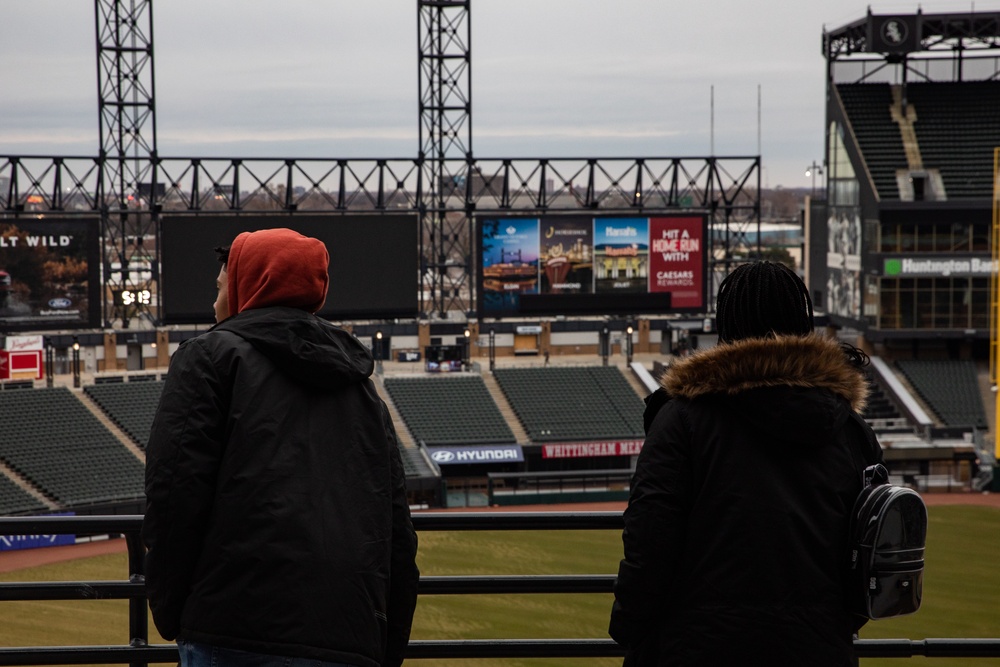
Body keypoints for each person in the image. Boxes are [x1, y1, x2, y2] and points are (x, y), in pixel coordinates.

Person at [142, 228, 419, 667]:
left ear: (249, 287)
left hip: (232, 631)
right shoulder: (363, 389)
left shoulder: (210, 357)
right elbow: (396, 534)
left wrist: (175, 613)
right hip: (349, 639)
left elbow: (173, 493)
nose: (213, 303)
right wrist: (386, 644)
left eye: (219, 288)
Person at [609, 260, 883, 667]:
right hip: (816, 650)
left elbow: (650, 538)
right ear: (802, 324)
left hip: (696, 648)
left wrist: (630, 630)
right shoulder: (849, 426)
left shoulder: (682, 418)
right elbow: (870, 560)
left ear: (727, 326)